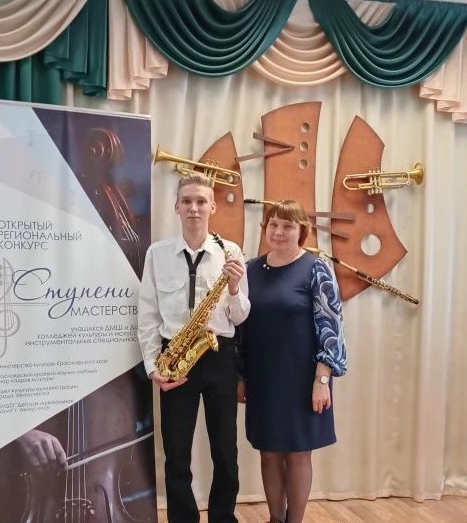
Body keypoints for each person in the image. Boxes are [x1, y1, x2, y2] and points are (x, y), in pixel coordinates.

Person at [138, 173, 250, 523]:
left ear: (213, 207)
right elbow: (148, 314)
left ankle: (223, 517)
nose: (194, 208)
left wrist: (234, 288)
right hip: (175, 357)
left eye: (201, 201)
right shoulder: (157, 253)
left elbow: (240, 315)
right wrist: (153, 366)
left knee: (225, 450)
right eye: (187, 201)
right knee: (176, 453)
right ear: (176, 207)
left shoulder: (230, 251)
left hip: (220, 356)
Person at [237, 199, 347, 523]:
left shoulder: (316, 268)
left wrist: (322, 380)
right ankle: (275, 519)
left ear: (302, 231)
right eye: (273, 224)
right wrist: (240, 376)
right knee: (269, 453)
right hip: (263, 378)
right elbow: (240, 328)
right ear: (265, 228)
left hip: (303, 379)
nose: (279, 231)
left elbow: (331, 326)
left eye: (288, 226)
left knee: (298, 453)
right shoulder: (250, 269)